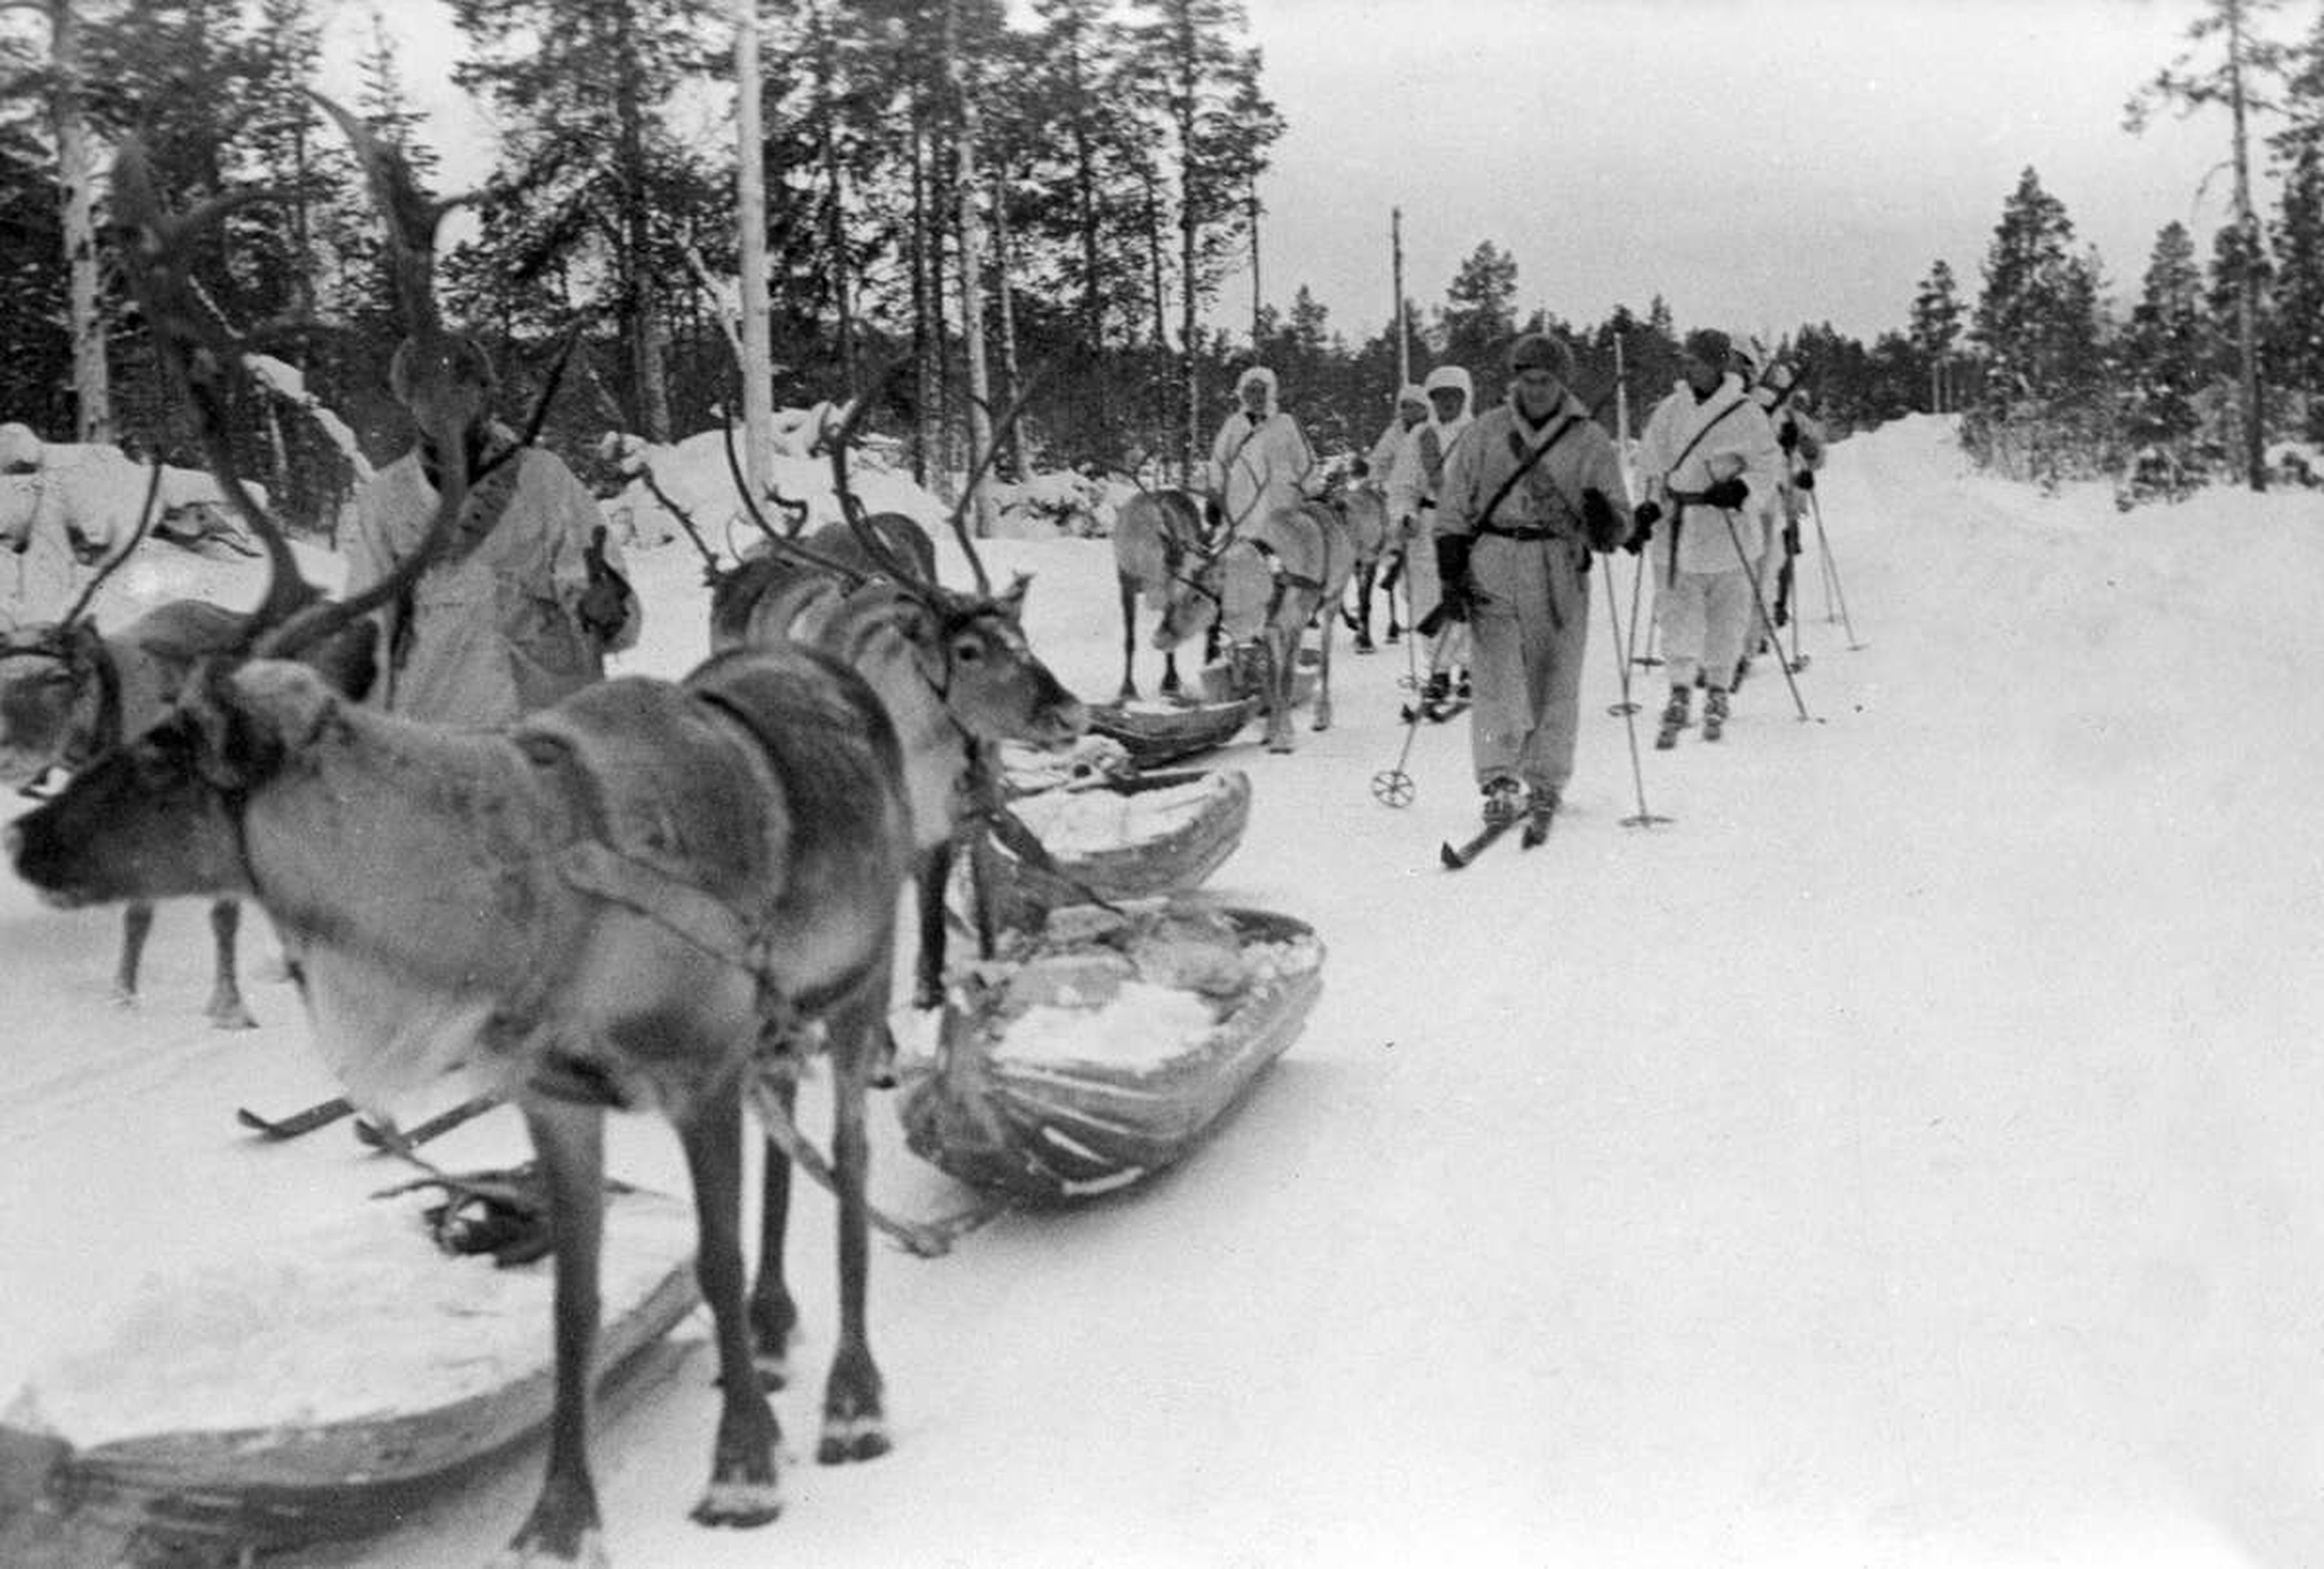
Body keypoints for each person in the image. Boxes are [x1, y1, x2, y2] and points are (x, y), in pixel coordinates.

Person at [344, 333, 640, 728]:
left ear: (483, 394)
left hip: (547, 721)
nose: (442, 405)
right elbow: (370, 630)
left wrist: (605, 609)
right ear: (409, 403)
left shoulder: (544, 479)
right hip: (438, 724)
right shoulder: (384, 501)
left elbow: (598, 592)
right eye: (426, 394)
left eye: (457, 389)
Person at [1430, 332, 1633, 832]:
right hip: (1494, 558)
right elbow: (1455, 505)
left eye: (1546, 380)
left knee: (1555, 677)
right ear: (1514, 380)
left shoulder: (1589, 438)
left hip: (1558, 563)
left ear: (1562, 381)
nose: (1536, 390)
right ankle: (1499, 776)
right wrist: (1451, 569)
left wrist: (1603, 519)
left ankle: (1546, 779)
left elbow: (1618, 523)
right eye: (1527, 379)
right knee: (1496, 676)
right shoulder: (1486, 432)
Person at [1632, 328, 1783, 748]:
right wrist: (1646, 506)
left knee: (1727, 617)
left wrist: (1743, 489)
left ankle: (1718, 689)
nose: (1688, 367)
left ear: (1719, 364)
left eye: (1695, 360)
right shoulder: (1670, 410)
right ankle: (1680, 689)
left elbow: (1767, 465)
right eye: (1686, 359)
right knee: (1677, 614)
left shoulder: (1745, 413)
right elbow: (1650, 465)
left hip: (1727, 527)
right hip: (1678, 527)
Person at [1387, 362, 1476, 715]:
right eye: (1440, 398)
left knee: (1471, 597)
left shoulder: (1480, 433)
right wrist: (1404, 515)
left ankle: (1472, 668)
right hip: (1429, 523)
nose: (1447, 404)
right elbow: (1403, 485)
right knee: (1429, 598)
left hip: (1470, 522)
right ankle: (1438, 671)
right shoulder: (1420, 437)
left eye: (1454, 397)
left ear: (1466, 398)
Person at [1207, 365, 1318, 534]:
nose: (1257, 397)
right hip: (1242, 502)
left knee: (1281, 548)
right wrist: (1215, 496)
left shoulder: (1286, 423)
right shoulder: (1233, 425)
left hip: (1281, 499)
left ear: (1270, 393)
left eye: (1262, 391)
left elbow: (1304, 461)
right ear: (1243, 394)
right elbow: (1219, 462)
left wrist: (1313, 490)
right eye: (1251, 391)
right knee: (1244, 551)